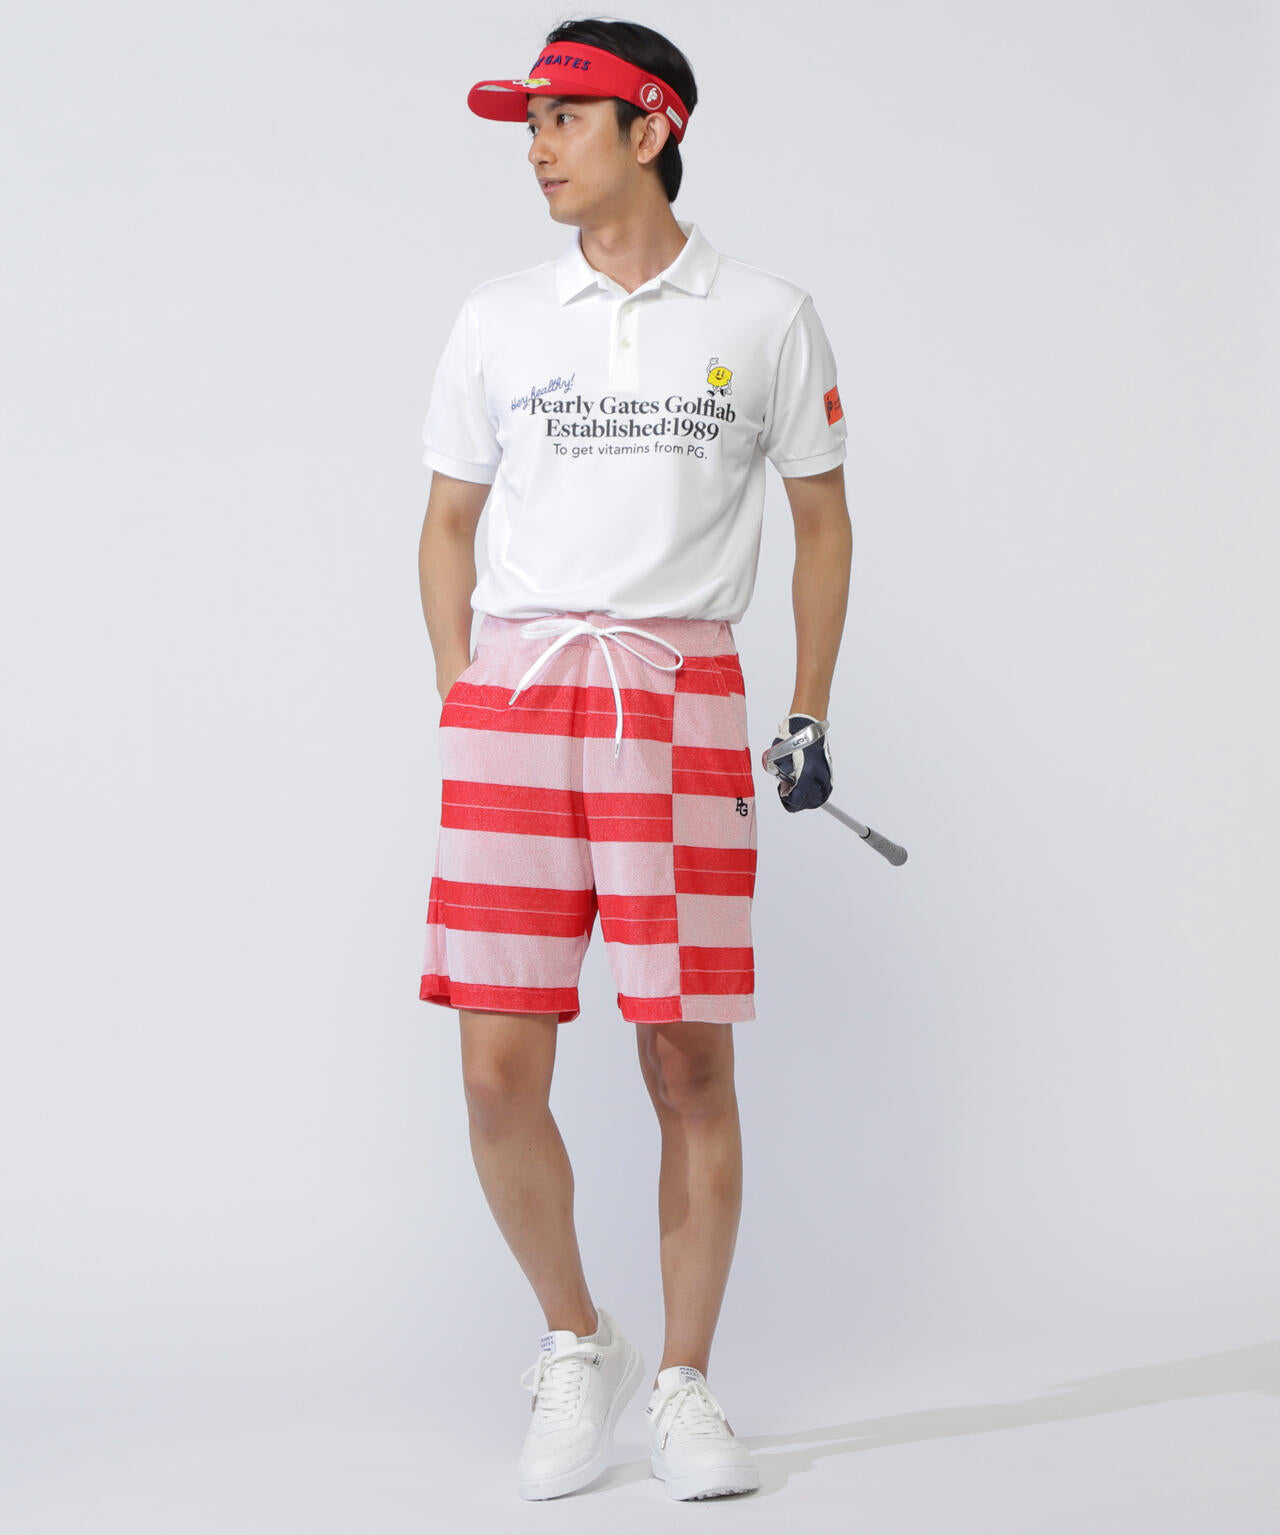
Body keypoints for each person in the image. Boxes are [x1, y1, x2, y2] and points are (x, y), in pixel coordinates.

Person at [416, 16, 851, 1503]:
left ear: (651, 129)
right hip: (521, 697)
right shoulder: (497, 317)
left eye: (563, 118)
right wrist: (463, 697)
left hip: (680, 696)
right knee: (494, 1073)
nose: (536, 147)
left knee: (686, 1059)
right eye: (528, 121)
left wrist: (809, 709)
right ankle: (575, 1340)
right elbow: (448, 523)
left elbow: (823, 524)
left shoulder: (769, 316)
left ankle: (683, 1382)